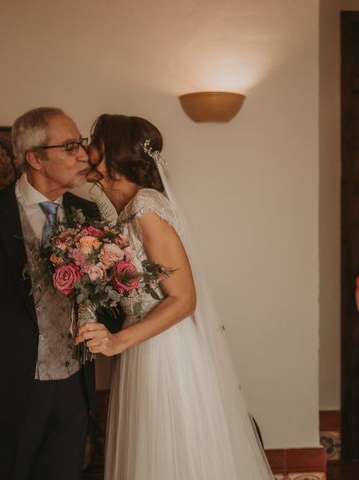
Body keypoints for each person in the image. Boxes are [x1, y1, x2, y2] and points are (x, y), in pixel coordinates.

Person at [76, 114, 274, 480]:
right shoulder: (126, 212)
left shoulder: (145, 208)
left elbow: (183, 299)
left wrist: (118, 341)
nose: (86, 148)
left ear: (113, 153)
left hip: (163, 352)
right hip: (143, 346)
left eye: (94, 141)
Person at [0, 107, 105, 480]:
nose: (83, 155)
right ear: (35, 158)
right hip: (5, 397)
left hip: (73, 391)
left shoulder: (91, 216)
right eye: (70, 147)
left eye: (81, 144)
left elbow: (102, 304)